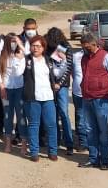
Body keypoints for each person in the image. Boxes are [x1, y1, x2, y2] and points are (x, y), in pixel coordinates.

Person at [79, 33, 108, 170]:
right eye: (83, 47)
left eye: (87, 47)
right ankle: (93, 158)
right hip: (87, 98)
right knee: (90, 130)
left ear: (95, 44)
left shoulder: (106, 57)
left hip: (102, 99)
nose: (85, 49)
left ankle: (105, 159)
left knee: (103, 131)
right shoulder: (84, 58)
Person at [23, 35, 59, 162]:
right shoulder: (26, 60)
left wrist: (57, 83)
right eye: (33, 45)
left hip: (48, 97)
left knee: (51, 125)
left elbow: (56, 74)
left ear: (43, 48)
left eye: (38, 46)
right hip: (33, 97)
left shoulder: (48, 60)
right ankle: (34, 152)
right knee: (34, 125)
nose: (35, 48)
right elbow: (17, 73)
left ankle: (53, 151)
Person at [45, 27, 75, 155]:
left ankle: (69, 143)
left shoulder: (65, 47)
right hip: (49, 84)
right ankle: (55, 141)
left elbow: (68, 68)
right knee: (53, 115)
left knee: (63, 113)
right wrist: (52, 83)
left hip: (62, 86)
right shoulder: (47, 47)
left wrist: (59, 83)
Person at [0, 34, 27, 154]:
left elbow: (20, 71)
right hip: (6, 89)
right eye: (11, 41)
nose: (13, 44)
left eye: (15, 41)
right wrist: (1, 87)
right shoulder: (2, 55)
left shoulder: (22, 56)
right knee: (7, 116)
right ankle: (8, 143)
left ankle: (24, 144)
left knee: (21, 117)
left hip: (19, 89)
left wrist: (19, 55)